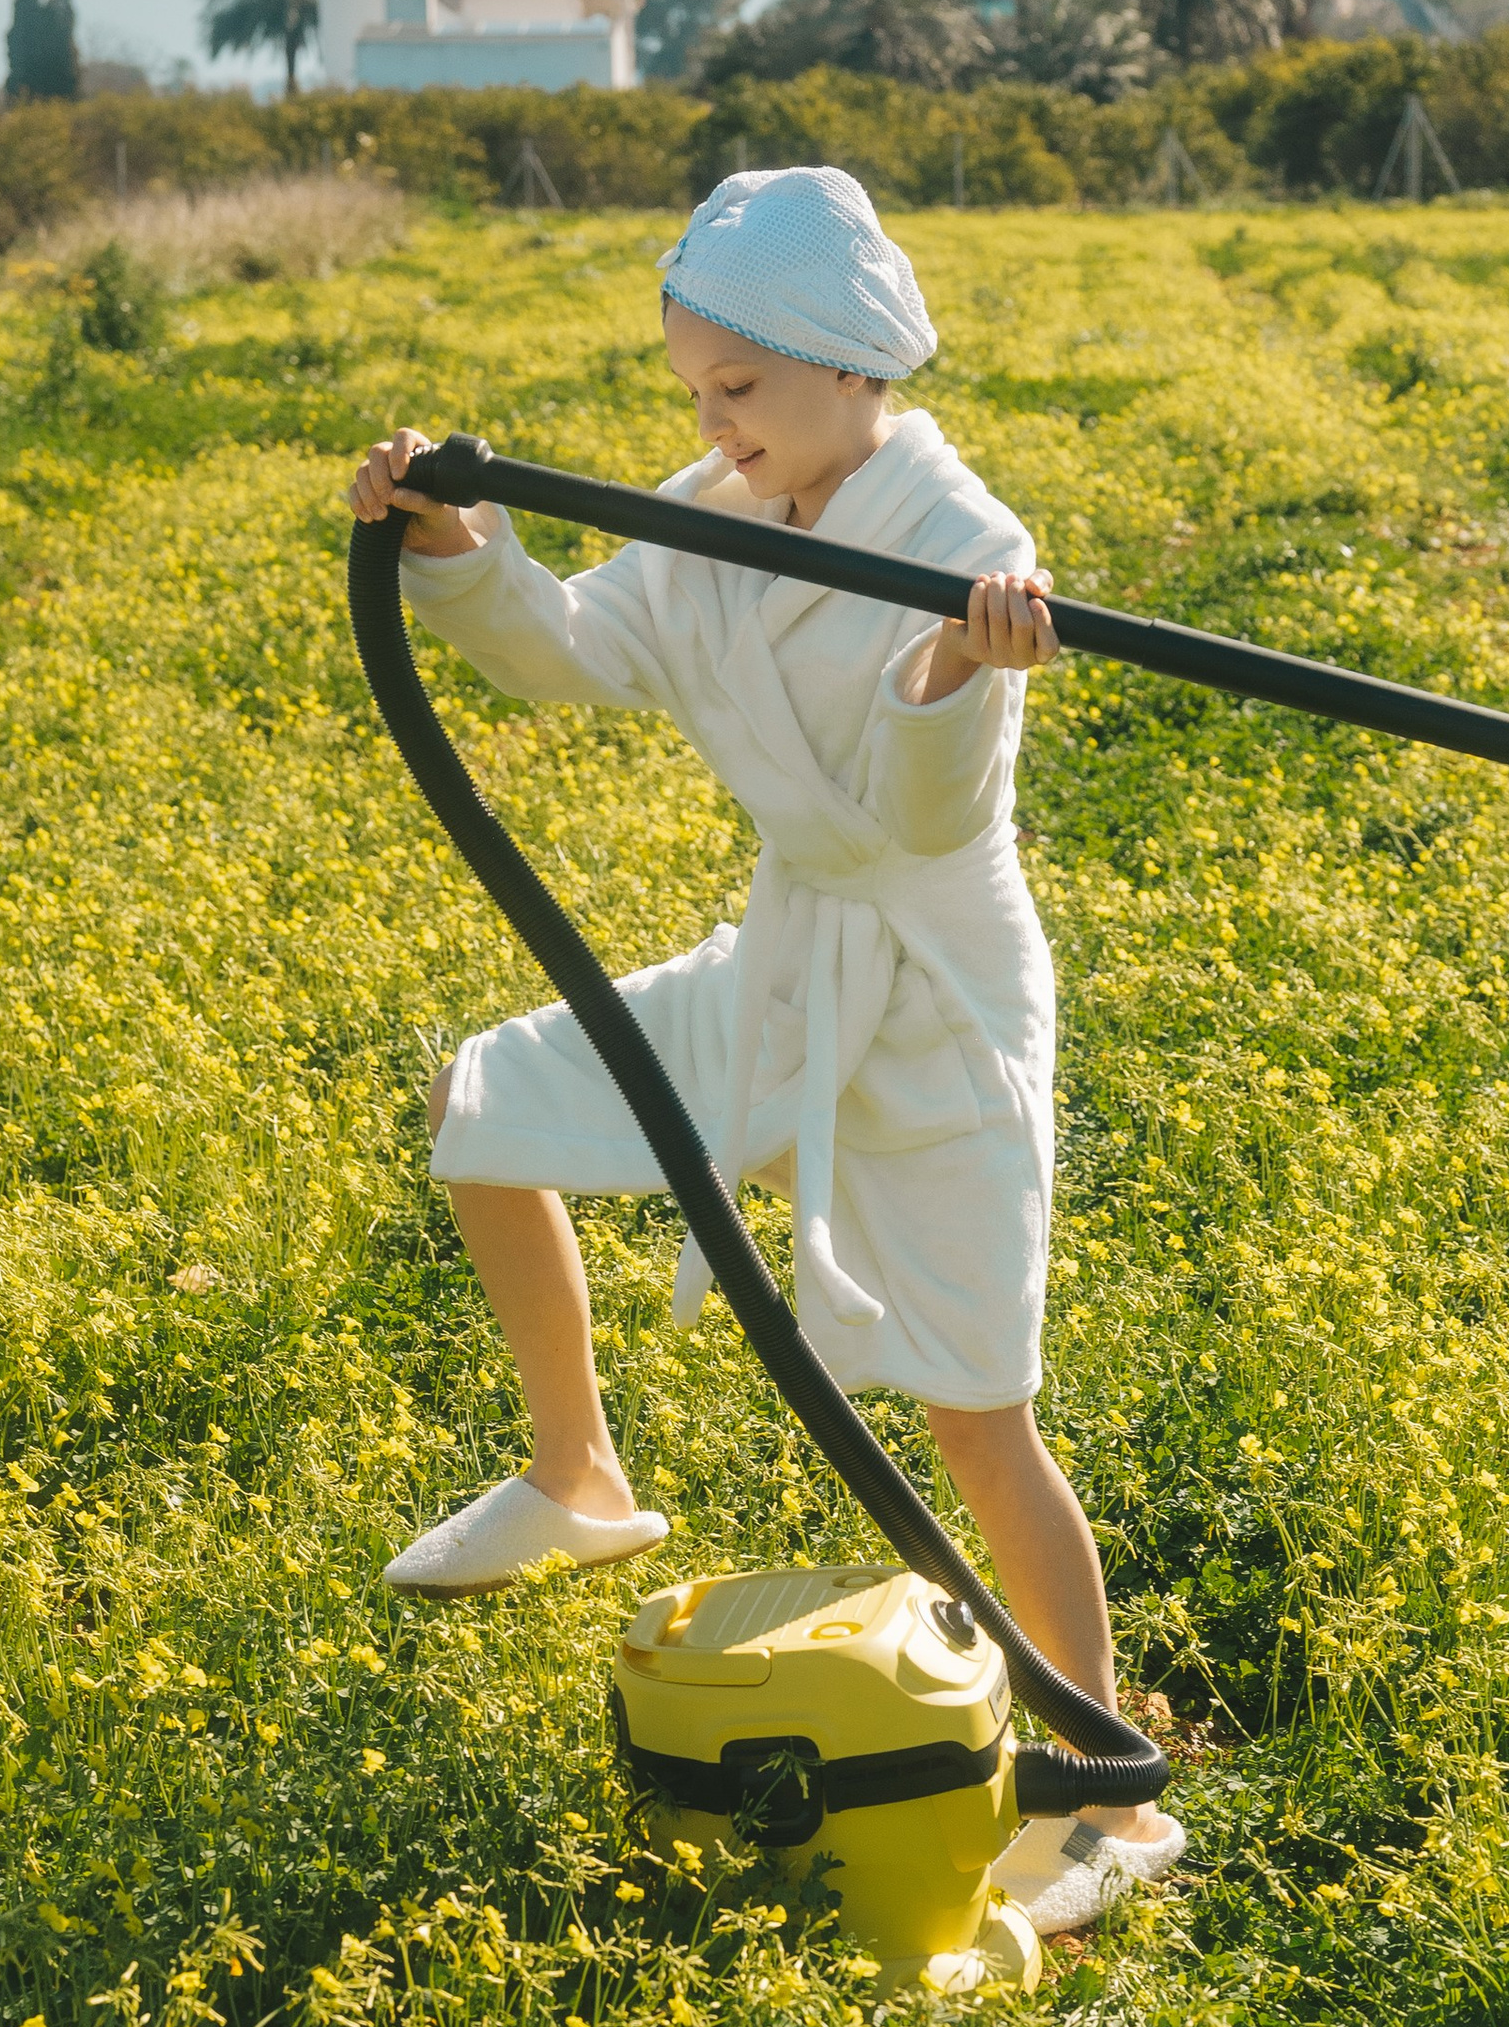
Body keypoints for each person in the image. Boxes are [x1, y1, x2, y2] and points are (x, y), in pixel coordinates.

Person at [345, 165, 1179, 1928]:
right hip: (789, 953)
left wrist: (966, 676)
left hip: (932, 990)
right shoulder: (711, 504)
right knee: (484, 1103)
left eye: (736, 389)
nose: (709, 424)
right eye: (693, 391)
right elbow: (578, 654)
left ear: (846, 365)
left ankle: (1106, 1797)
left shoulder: (962, 541)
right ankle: (578, 1475)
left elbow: (920, 822)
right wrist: (454, 547)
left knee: (972, 1415)